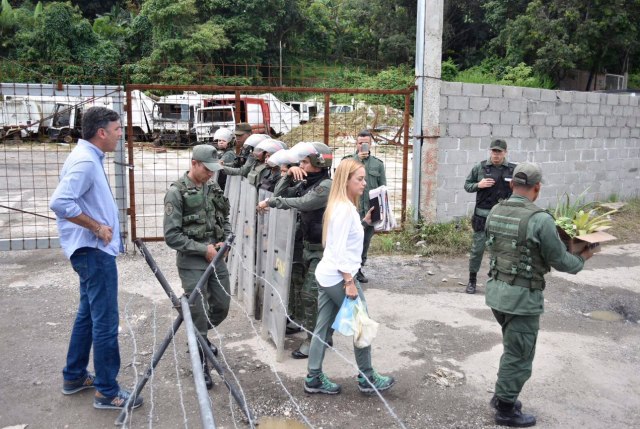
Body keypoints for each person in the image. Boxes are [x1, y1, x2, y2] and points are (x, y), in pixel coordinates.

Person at [484, 162, 594, 427]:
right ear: (537, 188)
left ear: (511, 184)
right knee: (519, 355)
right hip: (522, 299)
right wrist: (583, 258)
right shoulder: (540, 219)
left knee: (512, 349)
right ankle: (506, 410)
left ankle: (502, 397)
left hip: (497, 294)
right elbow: (560, 260)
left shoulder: (495, 210)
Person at [50, 106, 143, 410]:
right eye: (118, 130)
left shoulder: (89, 157)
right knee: (105, 321)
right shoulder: (85, 162)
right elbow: (61, 202)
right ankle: (107, 390)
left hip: (91, 252)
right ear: (101, 132)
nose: (121, 134)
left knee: (88, 314)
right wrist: (97, 227)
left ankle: (74, 375)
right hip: (93, 252)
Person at [304, 158, 395, 395]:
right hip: (338, 277)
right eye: (360, 179)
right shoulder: (344, 209)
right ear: (347, 180)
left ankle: (313, 377)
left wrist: (364, 222)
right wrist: (349, 281)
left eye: (364, 178)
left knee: (323, 328)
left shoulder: (342, 206)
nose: (364, 183)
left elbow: (340, 241)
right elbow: (338, 250)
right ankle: (367, 378)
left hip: (327, 274)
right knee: (362, 325)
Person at [163, 145, 232, 390]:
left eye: (213, 170)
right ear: (194, 164)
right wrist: (203, 249)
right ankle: (200, 360)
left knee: (223, 304)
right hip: (192, 261)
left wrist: (225, 238)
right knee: (199, 311)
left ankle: (199, 338)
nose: (210, 174)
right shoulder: (177, 192)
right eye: (206, 169)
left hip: (217, 256)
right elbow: (172, 236)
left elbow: (224, 216)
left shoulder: (212, 187)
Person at [257, 142, 333, 359]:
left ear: (319, 162)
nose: (300, 165)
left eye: (304, 162)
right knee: (299, 287)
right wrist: (289, 175)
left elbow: (302, 203)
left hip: (322, 250)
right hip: (306, 246)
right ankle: (302, 323)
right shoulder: (306, 181)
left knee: (311, 295)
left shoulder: (325, 185)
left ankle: (316, 339)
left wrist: (271, 203)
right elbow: (279, 191)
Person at [464, 139, 516, 294]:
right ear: (490, 151)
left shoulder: (513, 170)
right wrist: (478, 185)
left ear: (505, 153)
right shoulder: (480, 167)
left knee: (501, 251)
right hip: (482, 216)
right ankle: (472, 281)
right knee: (477, 249)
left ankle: (496, 279)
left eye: (499, 152)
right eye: (494, 151)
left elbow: (521, 190)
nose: (496, 154)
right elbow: (467, 185)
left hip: (503, 218)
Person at [342, 130, 386, 283]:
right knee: (350, 240)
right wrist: (357, 160)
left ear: (371, 143)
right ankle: (347, 270)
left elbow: (383, 189)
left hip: (370, 209)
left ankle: (359, 268)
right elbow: (341, 183)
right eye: (360, 143)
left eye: (365, 143)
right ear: (356, 143)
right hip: (352, 208)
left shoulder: (378, 164)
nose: (363, 145)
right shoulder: (348, 161)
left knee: (365, 241)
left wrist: (383, 212)